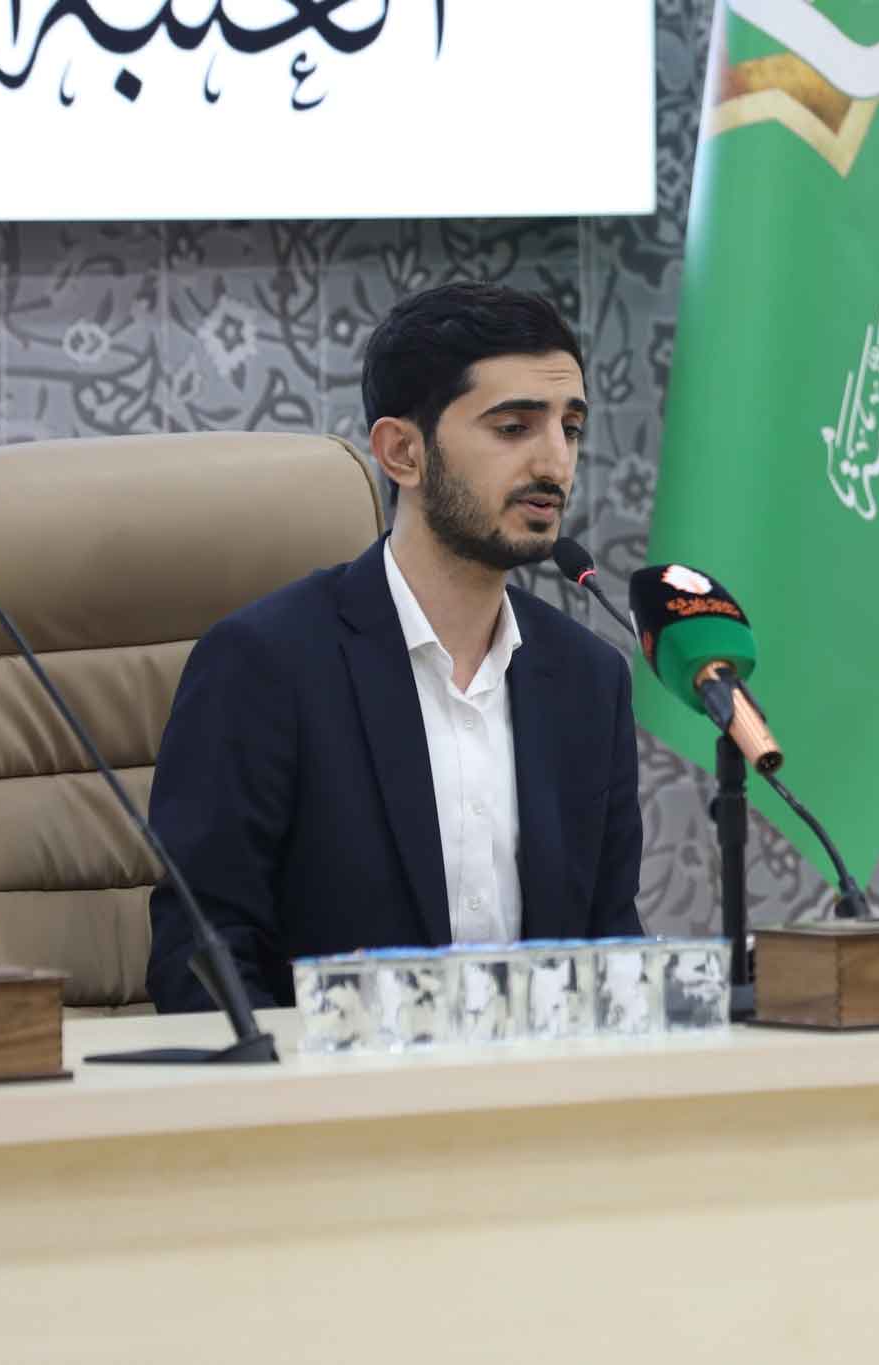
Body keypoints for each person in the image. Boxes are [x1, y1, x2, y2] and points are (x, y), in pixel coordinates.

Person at [146, 283, 642, 1013]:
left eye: (570, 428)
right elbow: (199, 959)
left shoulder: (588, 681)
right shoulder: (264, 664)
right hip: (330, 1082)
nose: (555, 463)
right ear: (403, 452)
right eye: (514, 427)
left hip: (545, 1081)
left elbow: (611, 952)